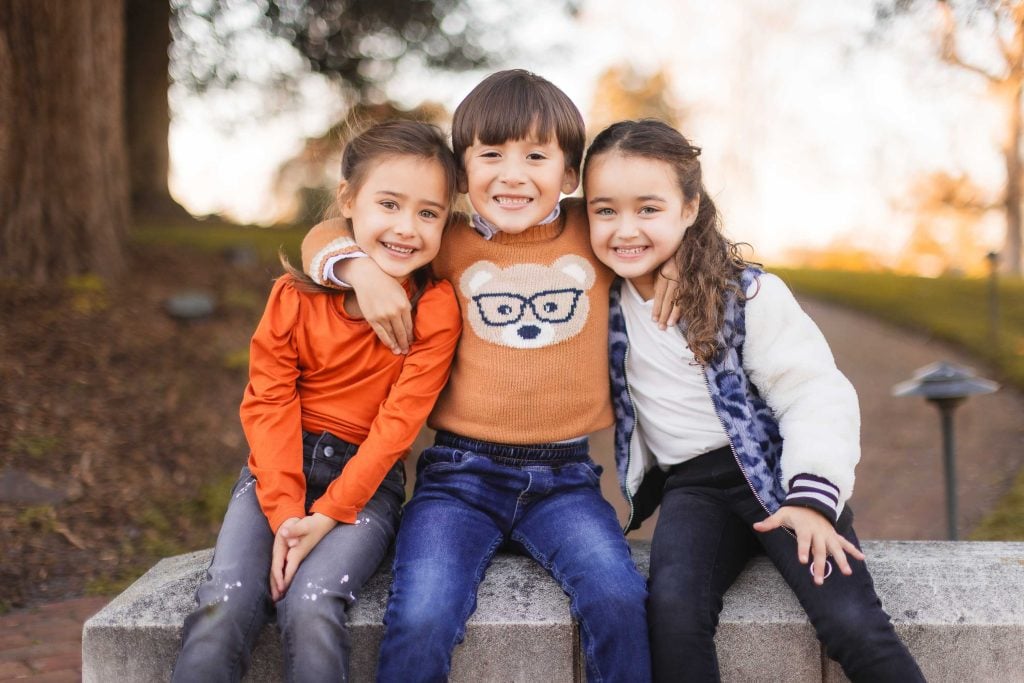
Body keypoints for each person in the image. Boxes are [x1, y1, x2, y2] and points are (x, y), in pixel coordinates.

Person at [301, 70, 651, 682]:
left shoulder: (593, 235)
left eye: (536, 156)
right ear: (462, 171)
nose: (512, 174)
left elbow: (657, 227)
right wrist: (361, 272)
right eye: (491, 154)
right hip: (459, 477)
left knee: (620, 600)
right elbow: (324, 233)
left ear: (569, 175)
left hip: (566, 478)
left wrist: (671, 269)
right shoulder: (446, 240)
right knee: (423, 613)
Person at [583, 119, 925, 683]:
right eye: (605, 211)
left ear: (690, 207)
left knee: (850, 622)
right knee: (671, 615)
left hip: (779, 476)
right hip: (694, 488)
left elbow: (814, 391)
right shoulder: (594, 294)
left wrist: (814, 498)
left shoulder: (743, 294)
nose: (625, 229)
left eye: (649, 209)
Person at [172, 120, 462, 683]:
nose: (408, 228)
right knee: (225, 601)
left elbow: (398, 426)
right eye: (389, 204)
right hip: (275, 472)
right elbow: (267, 402)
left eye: (429, 213)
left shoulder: (435, 308)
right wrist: (285, 515)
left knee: (310, 603)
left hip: (367, 484)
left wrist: (329, 514)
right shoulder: (293, 296)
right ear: (348, 201)